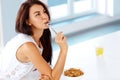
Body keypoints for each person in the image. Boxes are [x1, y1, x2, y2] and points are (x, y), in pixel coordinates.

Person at [0, 0, 68, 80]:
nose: (45, 16)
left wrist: (47, 75)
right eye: (37, 14)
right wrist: (63, 49)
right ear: (28, 21)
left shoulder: (40, 38)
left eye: (44, 11)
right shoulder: (28, 46)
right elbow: (53, 78)